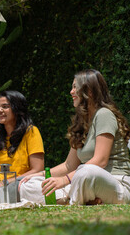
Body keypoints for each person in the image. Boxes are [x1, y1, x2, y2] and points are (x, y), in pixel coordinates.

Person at [19, 69, 130, 205]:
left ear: (88, 91)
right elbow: (69, 165)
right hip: (83, 182)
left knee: (86, 171)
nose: (71, 92)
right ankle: (81, 200)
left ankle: (70, 200)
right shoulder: (82, 121)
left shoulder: (104, 115)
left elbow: (100, 161)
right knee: (29, 185)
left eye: (74, 87)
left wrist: (64, 180)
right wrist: (40, 175)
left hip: (115, 183)